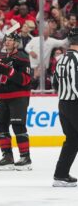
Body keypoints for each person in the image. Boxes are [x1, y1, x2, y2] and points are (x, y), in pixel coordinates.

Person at [0, 32, 32, 171]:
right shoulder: (1, 58)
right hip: (3, 97)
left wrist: (8, 71)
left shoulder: (22, 57)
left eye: (10, 40)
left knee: (18, 125)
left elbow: (26, 80)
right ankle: (8, 157)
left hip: (18, 96)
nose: (7, 42)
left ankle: (25, 157)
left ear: (17, 43)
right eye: (6, 40)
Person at [52, 27, 78, 187]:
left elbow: (55, 83)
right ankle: (60, 174)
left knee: (73, 140)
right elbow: (76, 85)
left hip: (63, 103)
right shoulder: (76, 59)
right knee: (72, 140)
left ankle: (60, 175)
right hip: (75, 103)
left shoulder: (61, 59)